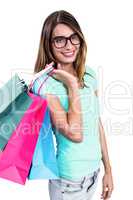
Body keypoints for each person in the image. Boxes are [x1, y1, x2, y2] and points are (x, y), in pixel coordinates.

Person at [32, 10, 114, 200]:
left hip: (94, 173)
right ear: (48, 44)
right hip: (69, 181)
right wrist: (71, 85)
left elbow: (96, 123)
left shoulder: (90, 74)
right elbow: (75, 134)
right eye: (59, 40)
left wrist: (108, 169)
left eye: (73, 37)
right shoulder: (44, 84)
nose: (69, 46)